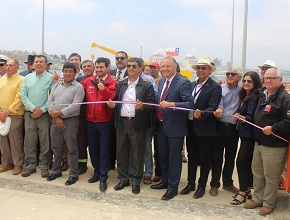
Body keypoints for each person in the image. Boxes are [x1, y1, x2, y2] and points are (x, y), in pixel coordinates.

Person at [244, 68, 290, 216]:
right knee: (257, 172)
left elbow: (288, 120)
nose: (268, 80)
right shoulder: (264, 94)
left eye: (272, 78)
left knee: (271, 176)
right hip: (260, 142)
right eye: (266, 78)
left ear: (280, 80)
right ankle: (257, 198)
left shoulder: (285, 98)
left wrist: (274, 128)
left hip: (274, 145)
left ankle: (268, 203)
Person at [108, 57, 155, 194]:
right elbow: (117, 101)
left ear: (140, 69)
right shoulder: (121, 84)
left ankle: (135, 181)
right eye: (129, 66)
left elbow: (152, 105)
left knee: (137, 154)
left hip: (137, 123)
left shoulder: (146, 85)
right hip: (122, 122)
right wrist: (112, 105)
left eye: (134, 66)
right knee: (121, 152)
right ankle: (123, 179)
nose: (131, 68)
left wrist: (142, 107)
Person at [150, 56, 194, 200]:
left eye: (167, 66)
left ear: (175, 67)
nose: (164, 69)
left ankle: (172, 187)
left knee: (174, 158)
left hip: (176, 127)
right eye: (162, 67)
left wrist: (172, 104)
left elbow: (190, 104)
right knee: (162, 156)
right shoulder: (162, 81)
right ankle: (165, 181)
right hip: (161, 125)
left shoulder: (183, 82)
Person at [180, 57, 221, 199]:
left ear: (209, 70)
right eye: (198, 68)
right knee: (192, 157)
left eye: (204, 68)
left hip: (205, 129)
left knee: (205, 159)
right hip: (190, 126)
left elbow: (213, 107)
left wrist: (202, 114)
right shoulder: (191, 85)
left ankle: (201, 185)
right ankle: (190, 183)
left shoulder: (215, 87)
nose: (201, 70)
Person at [46, 62, 85, 186]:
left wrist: (59, 113)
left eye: (71, 71)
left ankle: (74, 174)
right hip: (55, 121)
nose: (68, 73)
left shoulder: (79, 87)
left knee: (71, 148)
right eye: (66, 71)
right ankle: (56, 171)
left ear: (76, 73)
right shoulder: (57, 85)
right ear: (63, 72)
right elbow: (49, 101)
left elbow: (75, 106)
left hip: (71, 121)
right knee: (56, 147)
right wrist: (56, 117)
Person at [81, 57, 116, 192]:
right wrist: (59, 81)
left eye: (102, 67)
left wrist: (103, 89)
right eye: (97, 67)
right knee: (93, 149)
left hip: (105, 122)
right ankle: (96, 171)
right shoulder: (89, 81)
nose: (99, 70)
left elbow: (112, 97)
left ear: (108, 68)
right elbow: (77, 87)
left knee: (105, 150)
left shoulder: (112, 82)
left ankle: (103, 176)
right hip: (91, 121)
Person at [209, 66, 242, 197]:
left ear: (238, 76)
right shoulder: (220, 88)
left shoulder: (242, 90)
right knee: (216, 157)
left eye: (233, 74)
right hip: (220, 126)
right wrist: (218, 110)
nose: (230, 76)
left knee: (230, 157)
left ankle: (227, 183)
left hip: (233, 128)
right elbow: (219, 104)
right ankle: (214, 184)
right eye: (228, 73)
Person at [230, 71, 262, 205]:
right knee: (246, 163)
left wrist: (242, 118)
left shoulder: (255, 97)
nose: (246, 83)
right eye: (244, 81)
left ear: (255, 83)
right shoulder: (245, 95)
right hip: (243, 134)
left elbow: (253, 116)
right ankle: (247, 188)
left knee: (241, 162)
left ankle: (243, 191)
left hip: (249, 135)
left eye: (249, 81)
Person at [21, 55, 54, 178]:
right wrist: (33, 109)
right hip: (30, 114)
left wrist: (42, 109)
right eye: (36, 62)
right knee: (29, 140)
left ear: (46, 64)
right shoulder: (27, 78)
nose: (38, 64)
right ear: (33, 64)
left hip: (44, 114)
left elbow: (52, 96)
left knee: (45, 140)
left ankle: (44, 165)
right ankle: (30, 165)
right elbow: (23, 95)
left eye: (41, 62)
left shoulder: (51, 78)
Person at [0, 59, 24, 175]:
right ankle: (6, 163)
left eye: (10, 65)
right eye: (6, 65)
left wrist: (7, 111)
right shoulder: (2, 80)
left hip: (15, 114)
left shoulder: (21, 80)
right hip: (1, 114)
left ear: (17, 67)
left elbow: (19, 98)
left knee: (15, 140)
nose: (8, 67)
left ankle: (18, 164)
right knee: (3, 139)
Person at [75, 60, 95, 175]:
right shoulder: (78, 80)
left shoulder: (98, 80)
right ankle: (82, 165)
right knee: (81, 142)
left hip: (94, 116)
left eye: (89, 66)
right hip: (81, 116)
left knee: (93, 143)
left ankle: (97, 166)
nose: (86, 68)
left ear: (93, 68)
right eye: (84, 66)